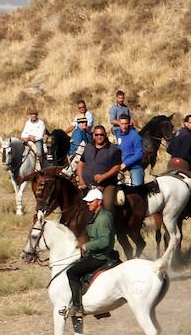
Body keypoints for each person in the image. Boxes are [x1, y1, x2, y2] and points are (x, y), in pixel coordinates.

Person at [61, 188, 120, 319]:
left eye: (90, 202)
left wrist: (88, 245)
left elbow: (105, 241)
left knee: (72, 272)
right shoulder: (98, 216)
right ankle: (99, 309)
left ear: (98, 202)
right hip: (96, 254)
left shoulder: (103, 218)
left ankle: (77, 307)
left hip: (101, 257)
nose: (88, 204)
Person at [80, 123, 121, 197]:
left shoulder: (114, 149)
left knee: (107, 205)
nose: (99, 137)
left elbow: (117, 167)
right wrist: (81, 180)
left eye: (101, 135)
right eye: (97, 135)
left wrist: (103, 176)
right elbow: (80, 164)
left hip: (106, 185)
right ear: (93, 135)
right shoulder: (88, 147)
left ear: (105, 134)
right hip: (86, 185)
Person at [165, 114, 191, 185]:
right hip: (183, 165)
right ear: (186, 123)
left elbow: (168, 149)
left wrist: (176, 155)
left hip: (172, 164)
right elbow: (185, 155)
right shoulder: (187, 134)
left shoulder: (177, 133)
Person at [115, 114, 145, 187]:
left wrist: (126, 163)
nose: (124, 126)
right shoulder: (118, 133)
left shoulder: (135, 135)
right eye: (122, 124)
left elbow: (140, 153)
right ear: (119, 123)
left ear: (129, 123)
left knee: (137, 190)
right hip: (120, 167)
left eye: (126, 124)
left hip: (135, 167)